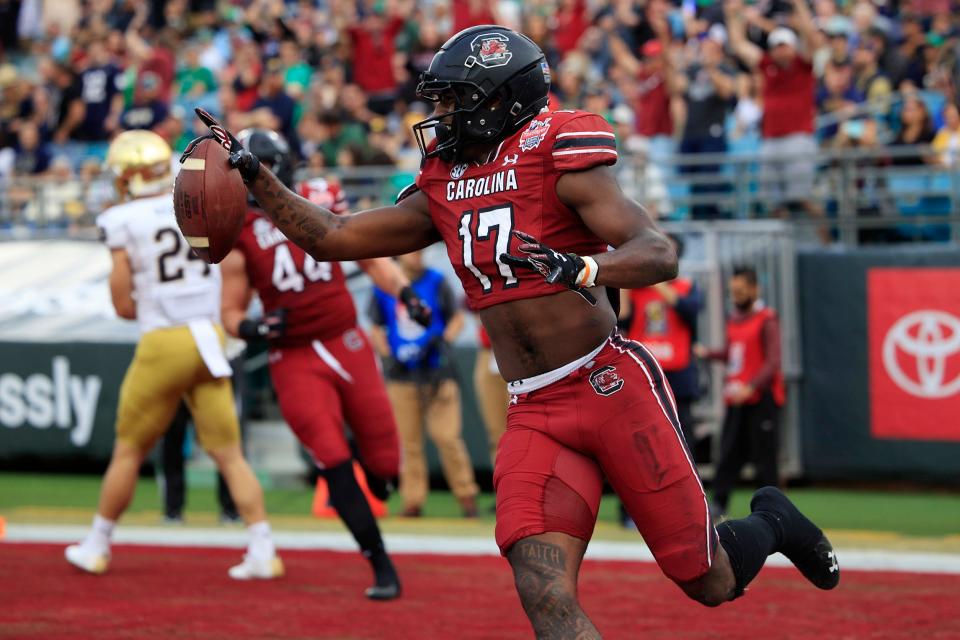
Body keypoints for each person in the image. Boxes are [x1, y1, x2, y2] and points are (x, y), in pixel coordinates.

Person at [184, 25, 839, 637]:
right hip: (535, 404)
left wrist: (584, 267)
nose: (441, 114)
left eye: (456, 99)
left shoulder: (556, 149)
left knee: (708, 579)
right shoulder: (444, 177)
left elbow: (657, 251)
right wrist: (255, 176)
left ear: (502, 100)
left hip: (607, 383)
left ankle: (771, 521)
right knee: (542, 588)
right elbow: (332, 236)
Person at [218, 128, 432, 600]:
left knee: (384, 461)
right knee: (332, 459)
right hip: (292, 354)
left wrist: (405, 294)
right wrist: (253, 329)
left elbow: (370, 257)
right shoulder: (237, 233)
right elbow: (231, 313)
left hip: (345, 339)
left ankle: (376, 485)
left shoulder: (318, 199)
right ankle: (380, 564)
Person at [66, 130, 282, 580]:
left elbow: (123, 305)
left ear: (133, 174)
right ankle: (263, 547)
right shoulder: (195, 201)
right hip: (209, 340)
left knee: (128, 450)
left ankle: (97, 543)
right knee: (229, 454)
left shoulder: (123, 218)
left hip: (165, 339)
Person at [368, 250, 479, 518]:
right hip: (402, 375)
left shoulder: (436, 280)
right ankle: (412, 501)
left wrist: (443, 342)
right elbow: (375, 326)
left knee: (448, 437)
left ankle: (466, 497)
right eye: (411, 252)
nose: (416, 256)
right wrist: (388, 355)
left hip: (437, 373)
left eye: (419, 251)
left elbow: (457, 317)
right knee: (408, 443)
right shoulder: (384, 285)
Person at [694, 266, 785, 521]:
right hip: (736, 398)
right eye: (733, 291)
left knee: (765, 459)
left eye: (741, 291)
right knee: (728, 455)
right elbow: (733, 355)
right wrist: (708, 353)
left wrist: (752, 386)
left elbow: (773, 361)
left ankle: (773, 511)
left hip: (760, 399)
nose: (736, 295)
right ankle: (719, 505)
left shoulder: (767, 318)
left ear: (755, 289)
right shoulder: (734, 319)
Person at [620, 234, 704, 456]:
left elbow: (690, 310)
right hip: (645, 369)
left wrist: (657, 281)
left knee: (683, 426)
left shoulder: (687, 286)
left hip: (678, 368)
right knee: (644, 427)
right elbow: (622, 318)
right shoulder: (636, 289)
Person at [158, 401, 239, 524]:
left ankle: (231, 511)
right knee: (172, 444)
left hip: (212, 384)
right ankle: (172, 511)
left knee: (226, 448)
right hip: (178, 388)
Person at [473, 324, 509, 469]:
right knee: (495, 431)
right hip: (489, 352)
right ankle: (503, 485)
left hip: (519, 349)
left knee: (524, 427)